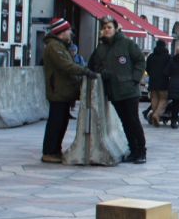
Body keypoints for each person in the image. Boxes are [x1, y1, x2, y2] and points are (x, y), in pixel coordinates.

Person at [88, 15, 147, 164]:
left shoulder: (127, 43)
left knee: (133, 120)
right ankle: (133, 149)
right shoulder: (101, 47)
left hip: (129, 90)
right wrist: (101, 72)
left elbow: (140, 60)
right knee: (125, 122)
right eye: (104, 28)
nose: (107, 30)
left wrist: (135, 78)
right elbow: (92, 65)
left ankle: (141, 151)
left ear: (115, 29)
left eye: (109, 27)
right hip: (113, 90)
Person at [41, 18, 94, 162]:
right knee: (56, 122)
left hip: (63, 90)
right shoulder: (54, 47)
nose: (71, 32)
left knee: (62, 121)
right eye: (68, 30)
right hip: (58, 90)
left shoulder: (61, 46)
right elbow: (66, 66)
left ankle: (55, 150)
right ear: (61, 32)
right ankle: (49, 151)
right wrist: (85, 71)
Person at [144, 39, 170, 126]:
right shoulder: (167, 57)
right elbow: (169, 69)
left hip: (153, 81)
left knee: (154, 98)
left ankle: (155, 117)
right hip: (163, 81)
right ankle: (156, 114)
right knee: (163, 99)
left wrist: (152, 74)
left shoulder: (151, 56)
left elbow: (147, 68)